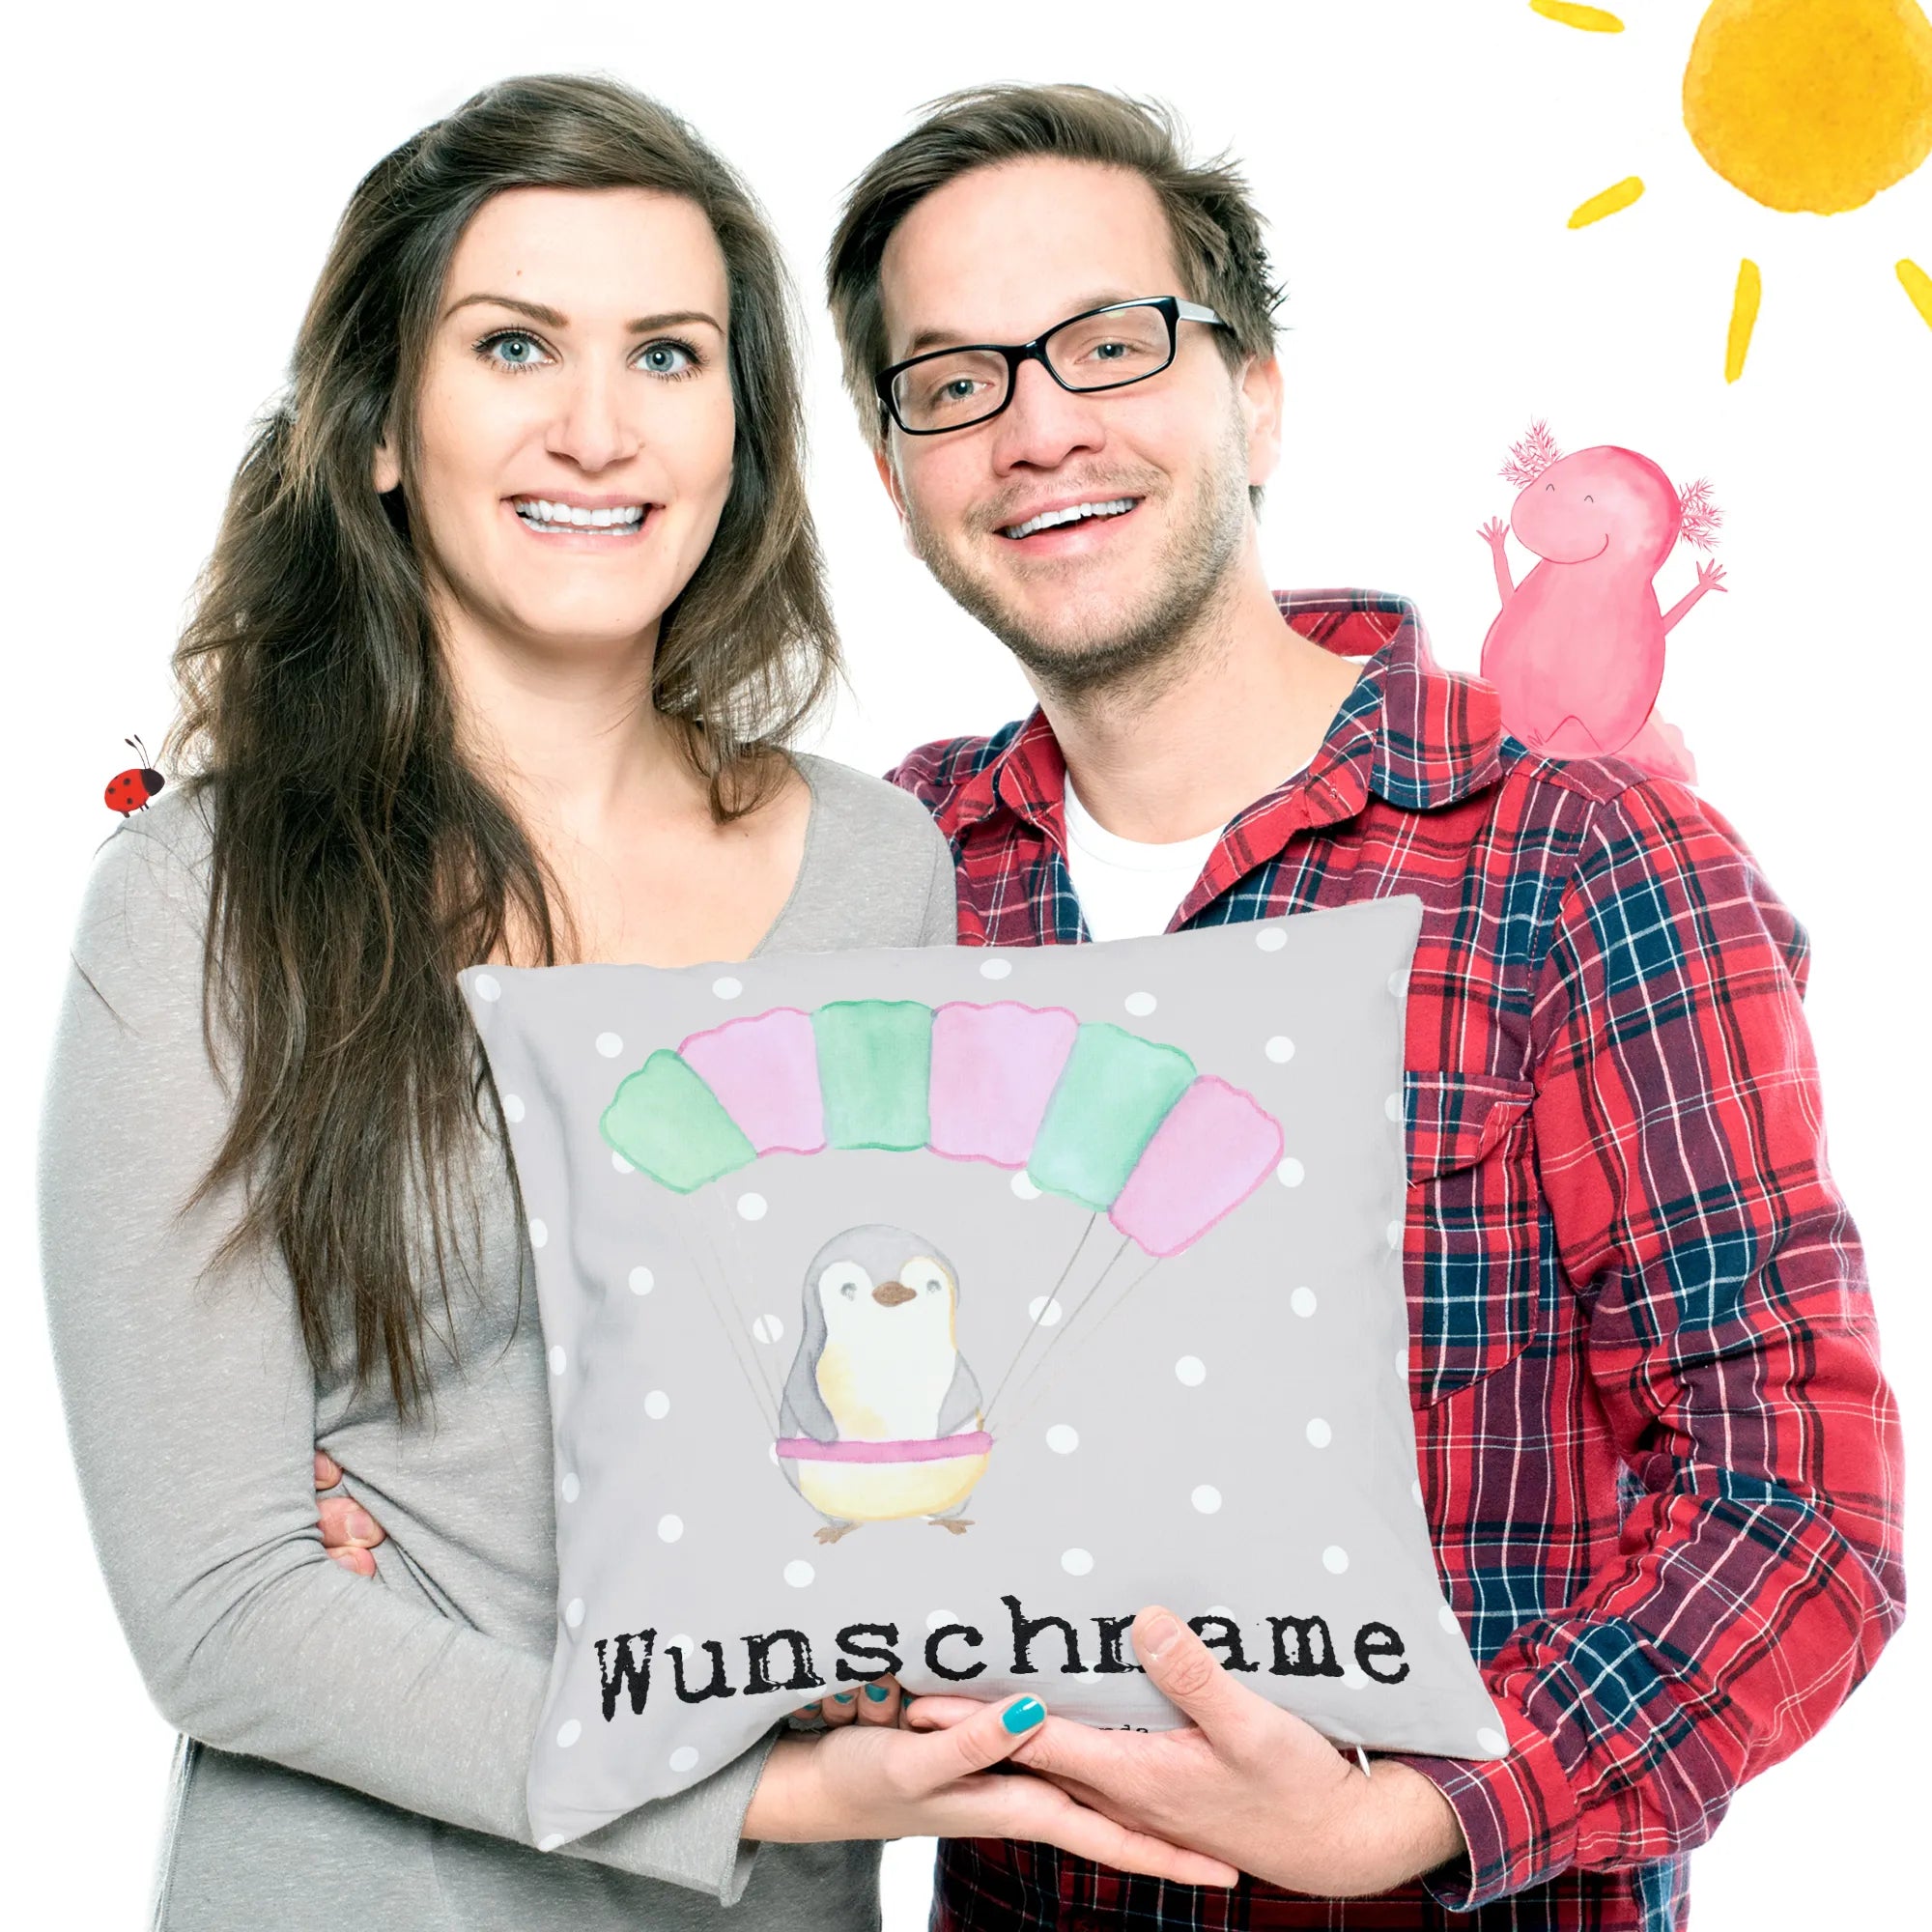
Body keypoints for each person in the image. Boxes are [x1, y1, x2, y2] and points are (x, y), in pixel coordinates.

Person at [40, 73, 1236, 1932]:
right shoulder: (203, 898)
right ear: (381, 425)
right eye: (515, 344)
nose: (597, 430)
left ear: (740, 433)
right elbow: (219, 1612)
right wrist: (763, 1783)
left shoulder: (881, 870)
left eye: (668, 355)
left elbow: (907, 1444)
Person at [821, 85, 1905, 1929]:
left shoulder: (1583, 860)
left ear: (1254, 394)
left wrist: (1409, 1814)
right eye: (954, 380)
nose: (1039, 426)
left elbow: (1800, 1514)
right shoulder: (892, 873)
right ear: (895, 469)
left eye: (1108, 342)